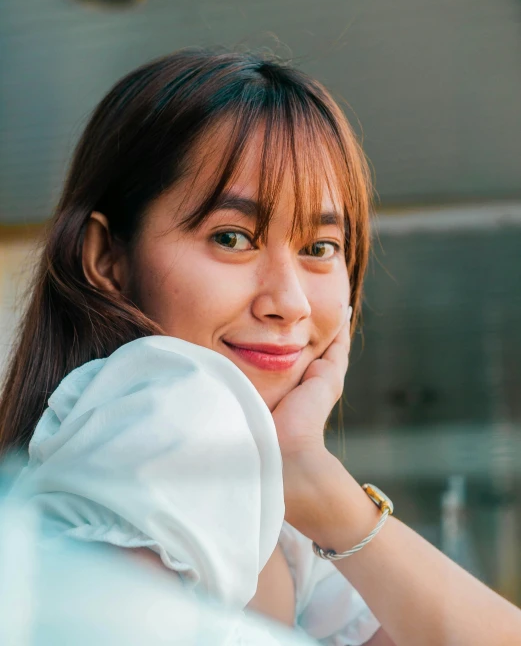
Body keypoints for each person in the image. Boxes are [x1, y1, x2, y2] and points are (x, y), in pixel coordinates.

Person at [1, 49, 520, 646]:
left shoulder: (252, 491)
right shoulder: (175, 396)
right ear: (108, 259)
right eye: (232, 237)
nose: (290, 301)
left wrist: (313, 477)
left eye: (321, 247)